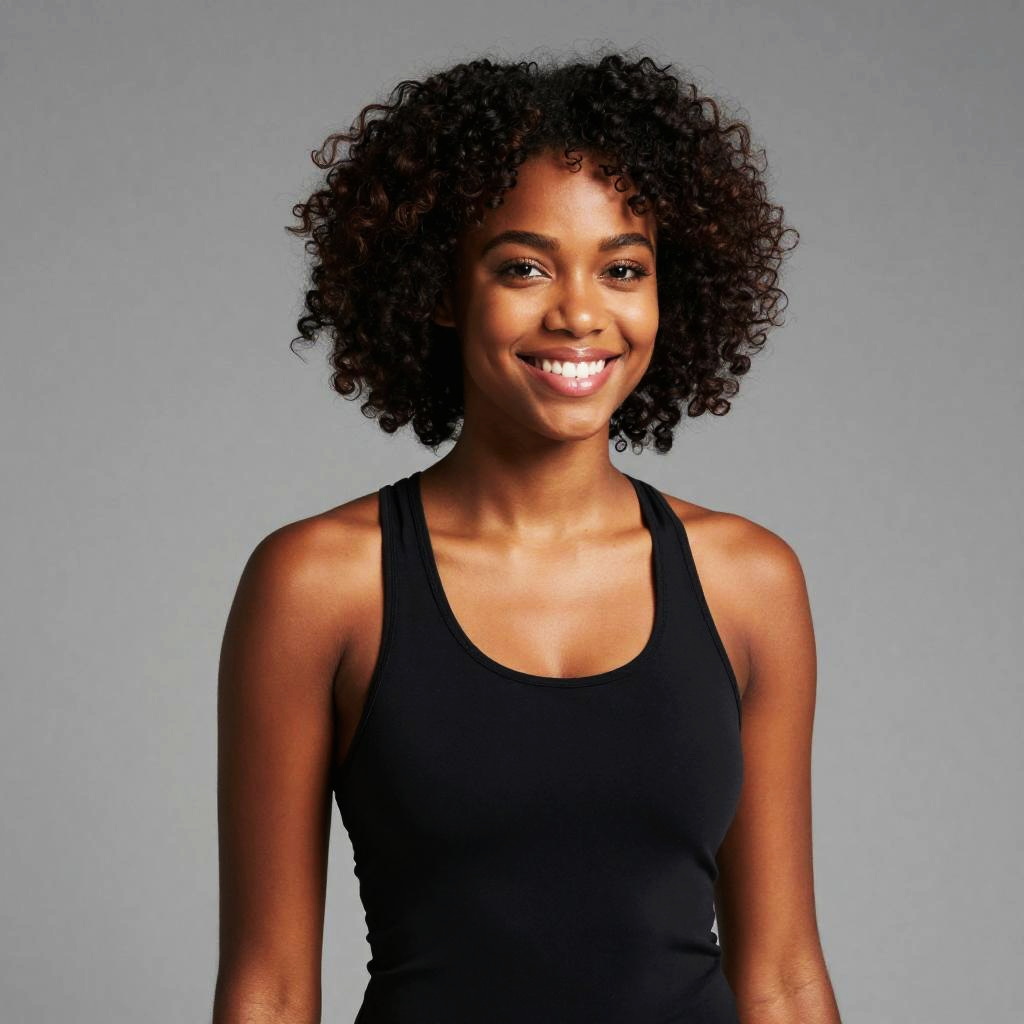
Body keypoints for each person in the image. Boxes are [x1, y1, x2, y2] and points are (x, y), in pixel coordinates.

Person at [213, 50, 842, 1024]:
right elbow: (271, 988)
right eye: (523, 266)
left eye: (622, 268)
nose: (580, 313)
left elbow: (783, 978)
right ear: (438, 286)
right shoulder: (322, 583)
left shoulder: (747, 581)